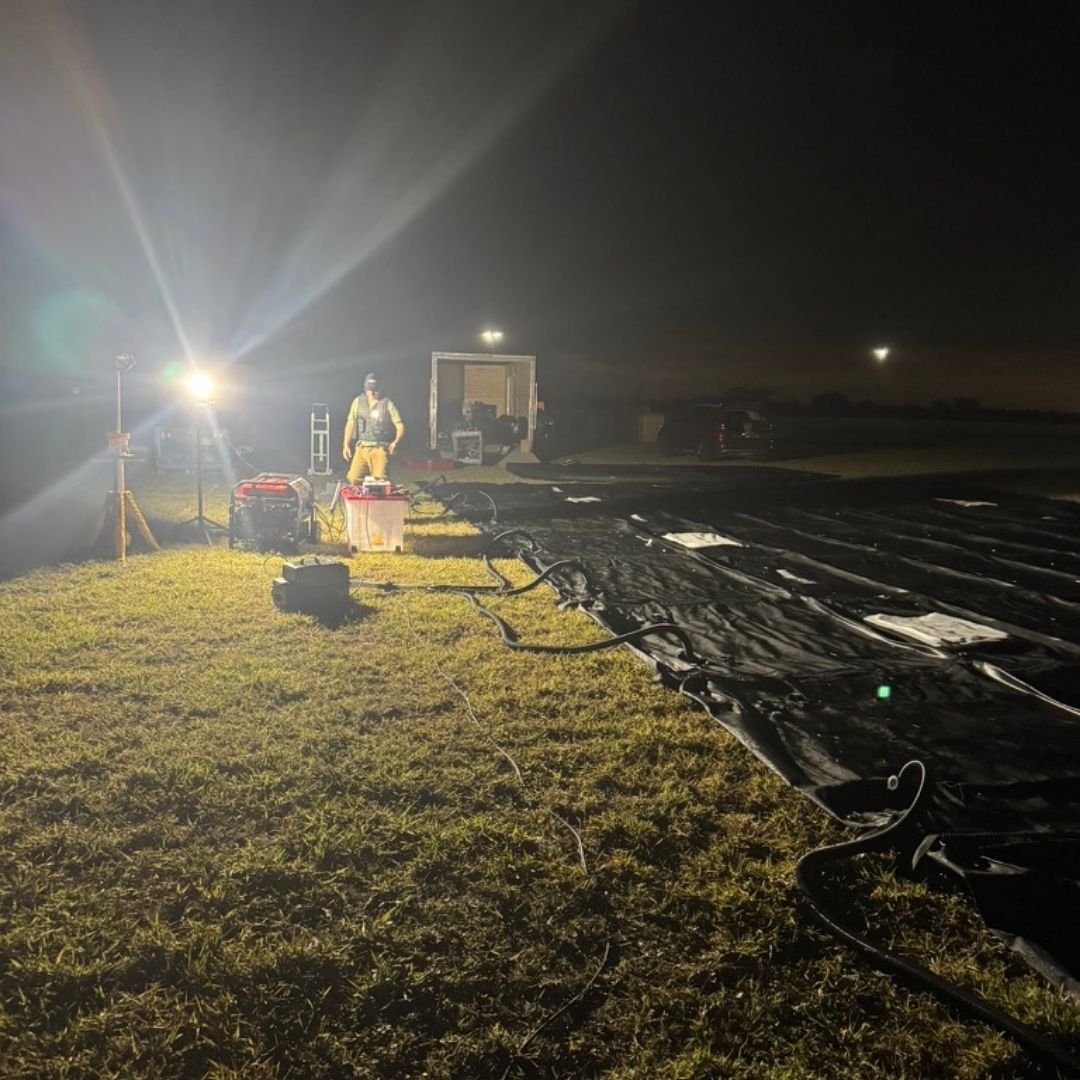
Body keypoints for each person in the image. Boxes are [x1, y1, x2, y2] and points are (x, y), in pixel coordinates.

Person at [342, 372, 404, 483]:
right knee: (353, 478)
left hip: (379, 448)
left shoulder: (387, 403)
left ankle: (379, 498)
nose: (373, 393)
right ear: (366, 389)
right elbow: (350, 423)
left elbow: (399, 424)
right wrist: (345, 445)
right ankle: (363, 498)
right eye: (370, 390)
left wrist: (395, 442)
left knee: (380, 480)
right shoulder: (357, 402)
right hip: (361, 448)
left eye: (375, 390)